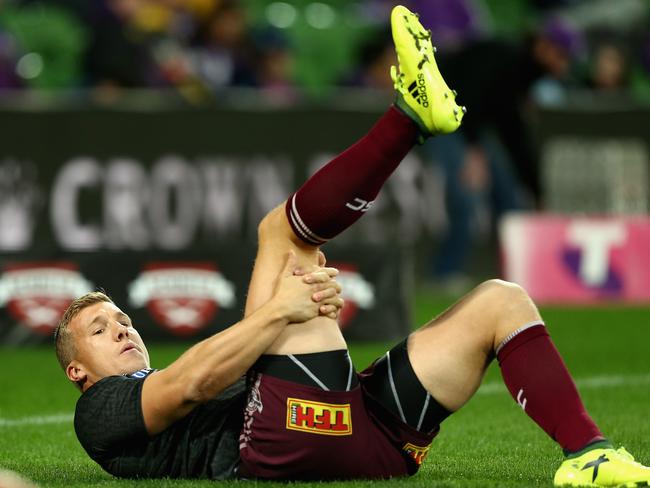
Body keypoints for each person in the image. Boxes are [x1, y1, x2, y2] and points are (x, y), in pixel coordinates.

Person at [55, 6, 650, 487]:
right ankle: (406, 120)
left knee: (501, 300)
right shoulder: (100, 410)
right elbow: (189, 385)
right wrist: (285, 312)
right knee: (281, 235)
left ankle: (590, 455)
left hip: (372, 442)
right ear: (77, 369)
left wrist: (301, 325)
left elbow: (230, 371)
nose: (124, 329)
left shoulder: (158, 379)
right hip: (275, 450)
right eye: (103, 330)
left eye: (122, 318)